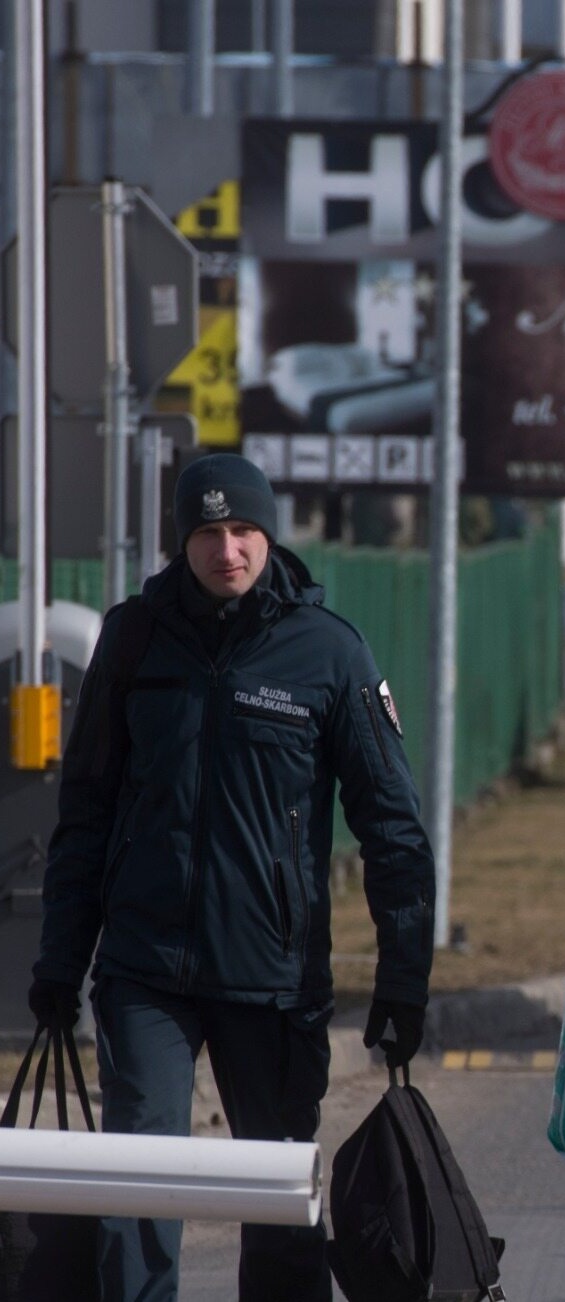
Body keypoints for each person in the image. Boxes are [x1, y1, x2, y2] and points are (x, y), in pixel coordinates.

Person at [28, 453, 434, 1302]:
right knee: (138, 1183)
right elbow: (87, 810)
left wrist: (404, 979)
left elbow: (392, 828)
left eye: (244, 530)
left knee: (277, 1196)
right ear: (183, 541)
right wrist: (61, 960)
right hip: (145, 971)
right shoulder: (134, 637)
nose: (228, 550)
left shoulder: (331, 653)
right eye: (208, 533)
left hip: (272, 979)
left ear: (268, 534)